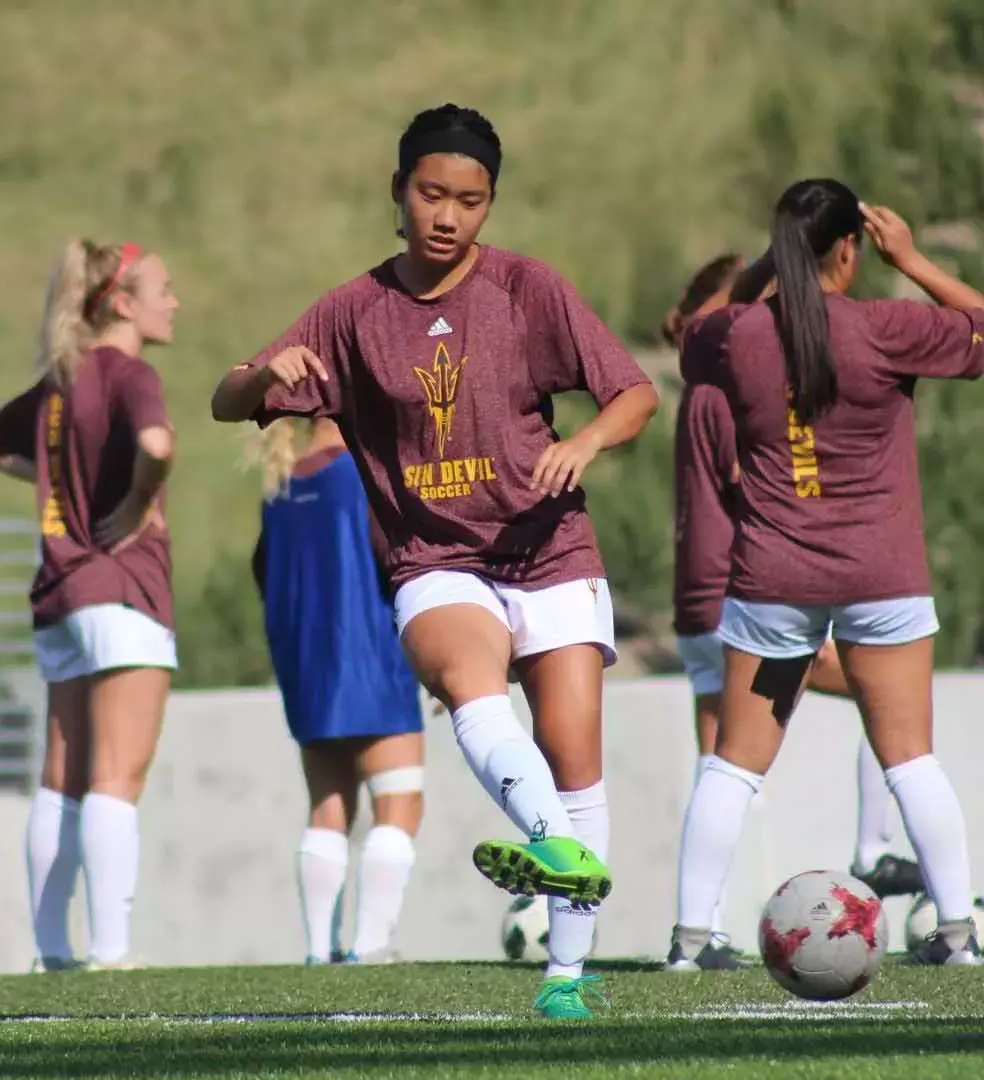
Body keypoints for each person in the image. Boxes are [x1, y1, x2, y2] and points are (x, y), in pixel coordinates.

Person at [212, 104, 659, 1019]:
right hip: (436, 558)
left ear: (490, 204)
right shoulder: (351, 311)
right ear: (398, 191)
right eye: (431, 194)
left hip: (551, 547)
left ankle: (566, 978)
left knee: (575, 758)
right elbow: (225, 401)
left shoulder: (530, 289)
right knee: (469, 685)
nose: (448, 215)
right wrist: (262, 381)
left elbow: (635, 393)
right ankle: (548, 842)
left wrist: (587, 445)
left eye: (471, 199)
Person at [670, 179, 984, 969]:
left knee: (734, 766)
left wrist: (762, 269)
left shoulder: (739, 335)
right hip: (883, 584)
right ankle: (957, 935)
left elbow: (695, 332)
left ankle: (691, 942)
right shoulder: (888, 326)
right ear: (850, 249)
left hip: (773, 589)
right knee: (910, 759)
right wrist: (914, 257)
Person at [662, 253, 922, 972]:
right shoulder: (725, 390)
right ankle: (876, 852)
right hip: (738, 599)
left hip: (696, 604)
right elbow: (765, 480)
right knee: (885, 689)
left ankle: (700, 930)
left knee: (724, 764)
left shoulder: (701, 390)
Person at [0, 238, 178, 972]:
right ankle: (113, 950)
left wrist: (61, 486)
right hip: (122, 591)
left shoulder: (60, 379)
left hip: (59, 594)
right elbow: (158, 443)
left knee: (60, 776)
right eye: (163, 287)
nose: (174, 300)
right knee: (117, 777)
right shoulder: (130, 373)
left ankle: (52, 949)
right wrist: (133, 499)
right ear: (121, 302)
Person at [253, 417, 426, 966]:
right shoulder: (369, 475)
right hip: (372, 660)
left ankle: (317, 950)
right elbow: (403, 565)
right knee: (399, 804)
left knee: (327, 809)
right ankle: (371, 943)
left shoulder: (280, 483)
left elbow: (264, 574)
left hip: (306, 669)